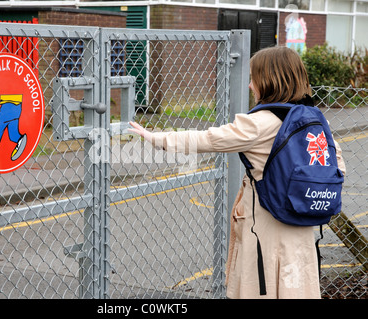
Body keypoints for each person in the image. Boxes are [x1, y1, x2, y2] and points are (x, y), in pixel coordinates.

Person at [129, 46, 346, 299]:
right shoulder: (316, 119)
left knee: (262, 284)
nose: (251, 86)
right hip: (303, 220)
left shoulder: (259, 123)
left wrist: (156, 138)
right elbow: (338, 167)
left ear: (268, 80)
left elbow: (208, 139)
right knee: (296, 284)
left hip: (267, 222)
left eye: (254, 78)